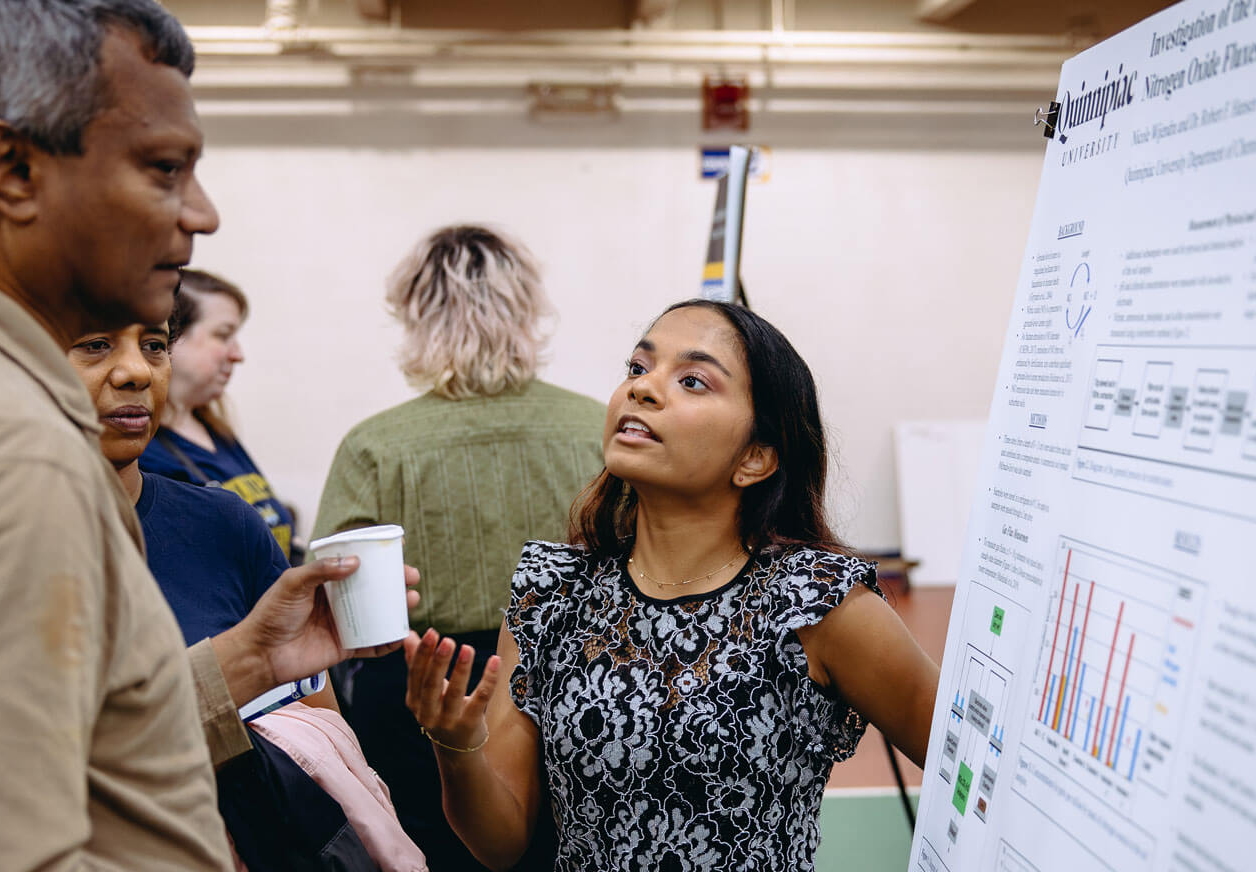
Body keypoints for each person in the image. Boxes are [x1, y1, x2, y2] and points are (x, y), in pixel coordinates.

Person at [0, 2, 400, 867]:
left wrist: (237, 664)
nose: (202, 213)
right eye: (164, 168)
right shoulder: (11, 448)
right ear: (11, 167)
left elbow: (65, 746)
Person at [402, 300, 942, 871]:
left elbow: (969, 768)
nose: (643, 389)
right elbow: (500, 841)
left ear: (755, 458)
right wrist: (455, 744)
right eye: (638, 368)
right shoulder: (551, 592)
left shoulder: (814, 602)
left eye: (692, 380)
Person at [67, 312, 427, 871]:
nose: (136, 370)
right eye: (94, 345)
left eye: (156, 345)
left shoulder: (221, 522)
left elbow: (316, 750)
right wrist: (249, 663)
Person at [314, 224, 602, 870]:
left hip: (426, 688)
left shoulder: (375, 446)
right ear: (527, 310)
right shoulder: (597, 429)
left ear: (415, 314)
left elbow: (340, 602)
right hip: (580, 679)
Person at [141, 269, 299, 560]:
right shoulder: (140, 453)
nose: (238, 354)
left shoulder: (216, 431)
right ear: (172, 338)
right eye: (223, 335)